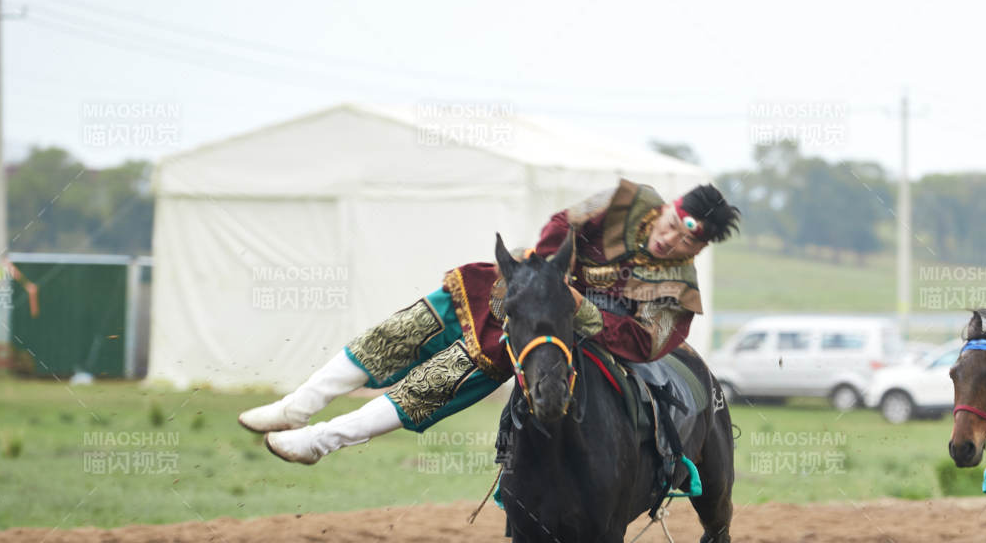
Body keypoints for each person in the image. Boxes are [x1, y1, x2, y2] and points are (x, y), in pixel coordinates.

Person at [238, 180, 741, 464]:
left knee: (435, 384)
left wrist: (576, 309)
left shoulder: (680, 289)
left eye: (687, 241)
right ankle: (298, 404)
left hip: (566, 335)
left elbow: (644, 342)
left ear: (699, 248)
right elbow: (564, 221)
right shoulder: (625, 198)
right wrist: (545, 276)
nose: (671, 240)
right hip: (528, 285)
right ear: (669, 210)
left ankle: (320, 442)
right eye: (674, 226)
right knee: (404, 331)